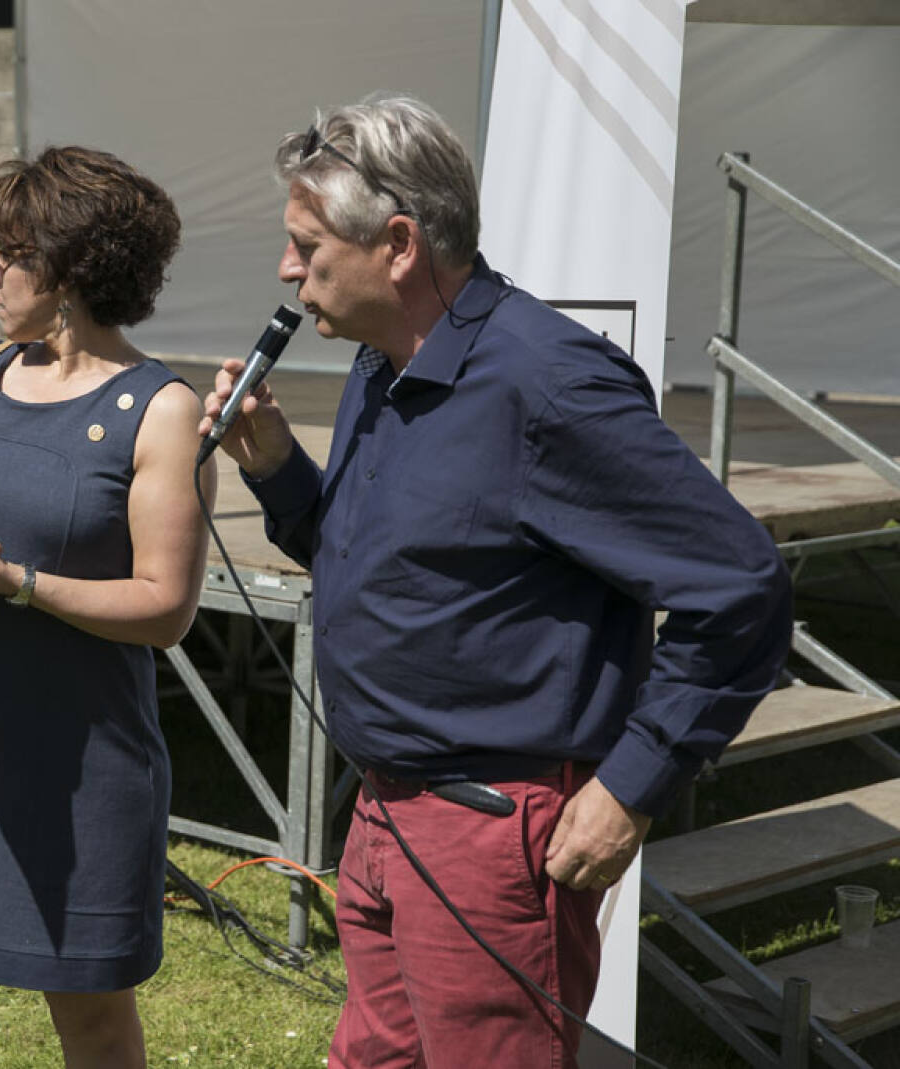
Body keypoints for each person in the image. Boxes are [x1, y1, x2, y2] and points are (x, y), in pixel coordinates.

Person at [199, 94, 793, 1068]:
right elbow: (382, 566)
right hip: (384, 813)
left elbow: (742, 586)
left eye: (306, 245)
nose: (287, 269)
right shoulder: (381, 363)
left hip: (491, 833)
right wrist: (275, 467)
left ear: (398, 245)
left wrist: (631, 785)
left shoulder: (548, 386)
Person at [0, 145, 213, 1068]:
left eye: (6, 254)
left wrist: (20, 581)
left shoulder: (162, 409)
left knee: (90, 1010)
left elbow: (166, 607)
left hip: (81, 757)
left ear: (68, 269)